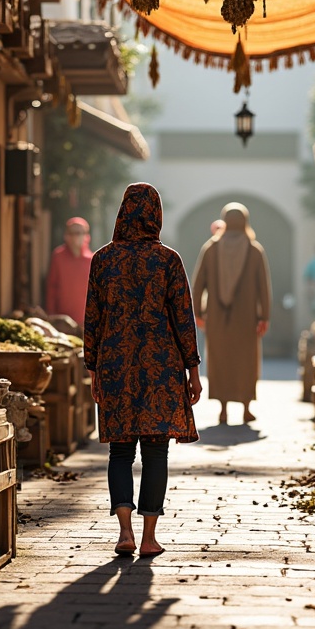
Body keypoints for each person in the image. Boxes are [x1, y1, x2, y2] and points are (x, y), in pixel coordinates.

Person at [84, 183, 202, 558]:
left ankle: (124, 533)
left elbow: (92, 319)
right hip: (161, 367)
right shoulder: (168, 260)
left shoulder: (103, 260)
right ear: (155, 214)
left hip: (115, 364)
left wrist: (92, 370)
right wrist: (193, 370)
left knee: (120, 452)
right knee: (155, 453)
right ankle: (149, 536)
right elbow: (184, 318)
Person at [192, 202, 271, 425]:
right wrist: (264, 316)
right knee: (246, 361)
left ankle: (223, 409)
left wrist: (197, 312)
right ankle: (246, 408)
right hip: (246, 318)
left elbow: (198, 285)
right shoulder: (255, 250)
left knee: (220, 360)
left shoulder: (211, 248)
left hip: (217, 317)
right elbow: (263, 287)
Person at [45, 217, 93, 328]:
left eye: (79, 233)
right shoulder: (58, 256)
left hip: (84, 321)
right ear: (66, 235)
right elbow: (52, 286)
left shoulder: (91, 260)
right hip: (62, 321)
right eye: (72, 233)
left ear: (87, 236)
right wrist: (51, 314)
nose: (76, 236)